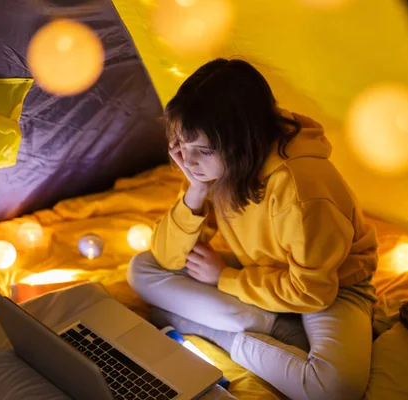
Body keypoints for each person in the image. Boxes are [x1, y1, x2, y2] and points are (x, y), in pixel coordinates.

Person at [127, 58, 378, 400]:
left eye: (202, 151)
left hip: (331, 287)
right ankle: (268, 324)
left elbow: (312, 293)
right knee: (142, 267)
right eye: (181, 147)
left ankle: (227, 333)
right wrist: (196, 192)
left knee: (334, 390)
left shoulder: (302, 189)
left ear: (241, 143)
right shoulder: (214, 169)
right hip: (260, 271)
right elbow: (167, 258)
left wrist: (224, 279)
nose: (189, 162)